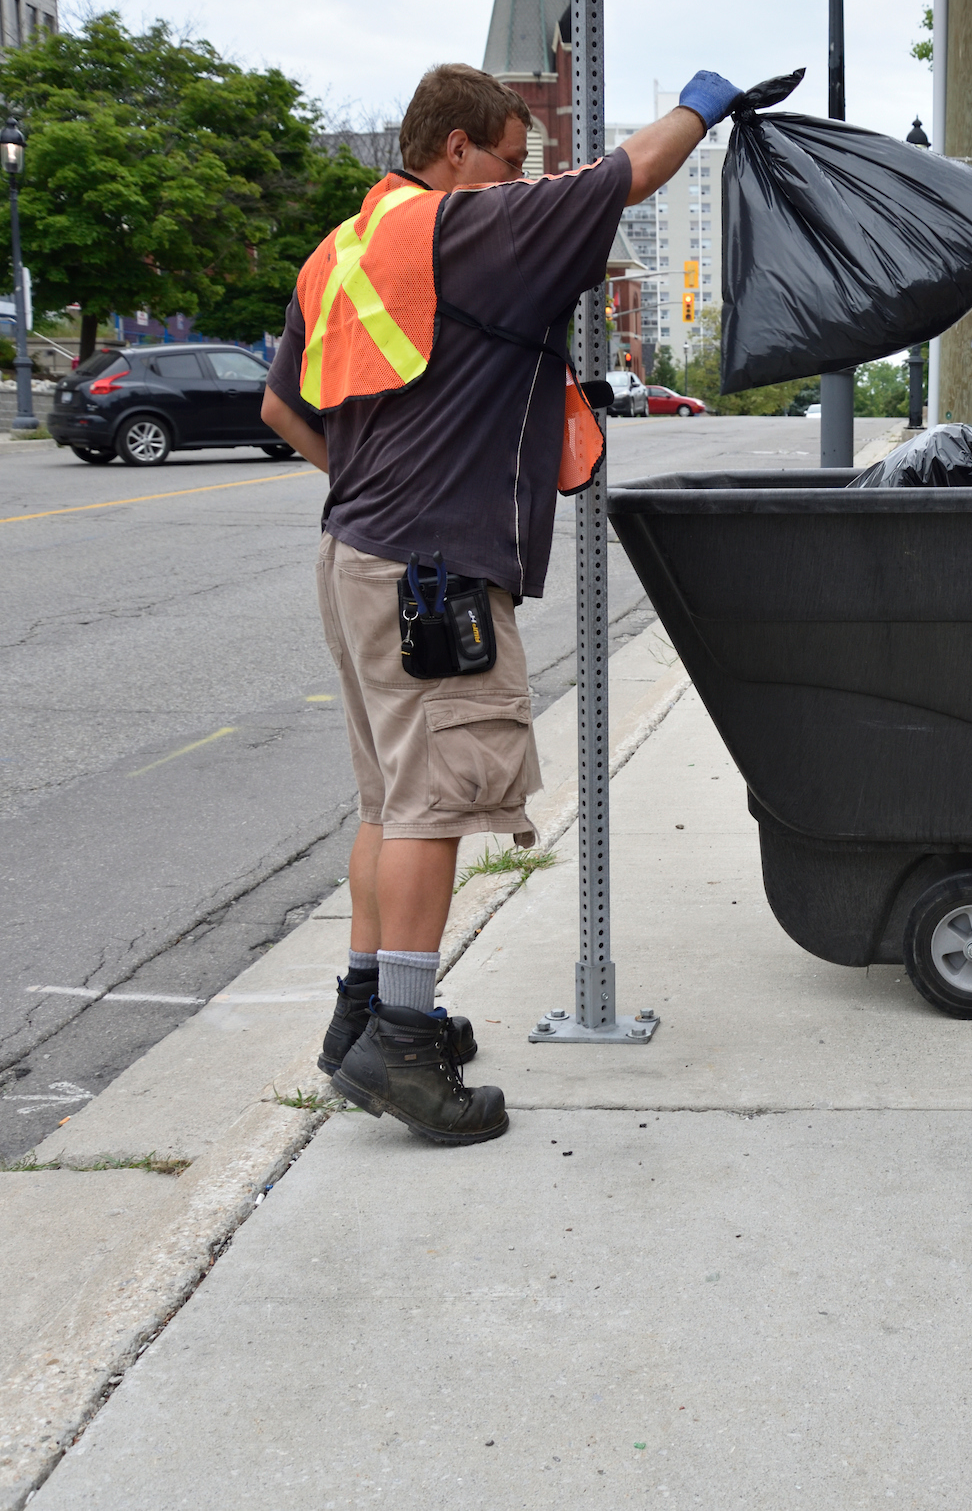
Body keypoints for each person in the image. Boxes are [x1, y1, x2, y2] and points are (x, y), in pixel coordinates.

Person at [261, 63, 750, 1145]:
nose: (519, 181)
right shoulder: (461, 230)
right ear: (454, 153)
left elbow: (282, 407)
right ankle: (400, 1042)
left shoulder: (338, 255)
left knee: (390, 798)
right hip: (431, 571)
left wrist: (371, 489)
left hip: (357, 557)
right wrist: (705, 102)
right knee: (435, 800)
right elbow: (633, 172)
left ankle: (365, 1012)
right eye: (510, 159)